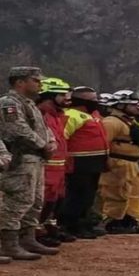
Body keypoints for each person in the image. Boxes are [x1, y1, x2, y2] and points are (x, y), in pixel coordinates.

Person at [0, 67, 58, 261]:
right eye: (35, 80)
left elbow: (44, 128)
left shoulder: (30, 104)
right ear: (20, 82)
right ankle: (8, 244)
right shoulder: (9, 103)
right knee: (18, 201)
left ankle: (27, 238)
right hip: (21, 158)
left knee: (35, 201)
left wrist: (51, 141)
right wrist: (42, 145)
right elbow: (17, 129)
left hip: (36, 158)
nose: (40, 84)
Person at [98, 90, 139, 235]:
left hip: (132, 163)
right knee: (116, 192)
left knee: (133, 193)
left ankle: (129, 220)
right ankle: (110, 221)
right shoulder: (111, 122)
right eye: (133, 105)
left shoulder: (130, 122)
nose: (138, 107)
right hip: (118, 163)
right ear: (121, 105)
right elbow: (103, 144)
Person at [61, 86, 109, 240]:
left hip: (95, 163)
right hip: (78, 163)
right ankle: (71, 225)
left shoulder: (93, 115)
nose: (97, 102)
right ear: (82, 101)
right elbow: (62, 138)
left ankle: (84, 223)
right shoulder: (71, 115)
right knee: (77, 195)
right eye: (93, 99)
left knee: (89, 196)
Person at [34, 78, 75, 247]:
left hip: (58, 166)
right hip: (47, 166)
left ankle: (49, 227)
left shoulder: (57, 114)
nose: (67, 98)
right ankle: (36, 232)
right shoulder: (42, 113)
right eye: (62, 95)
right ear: (50, 95)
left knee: (56, 199)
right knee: (43, 200)